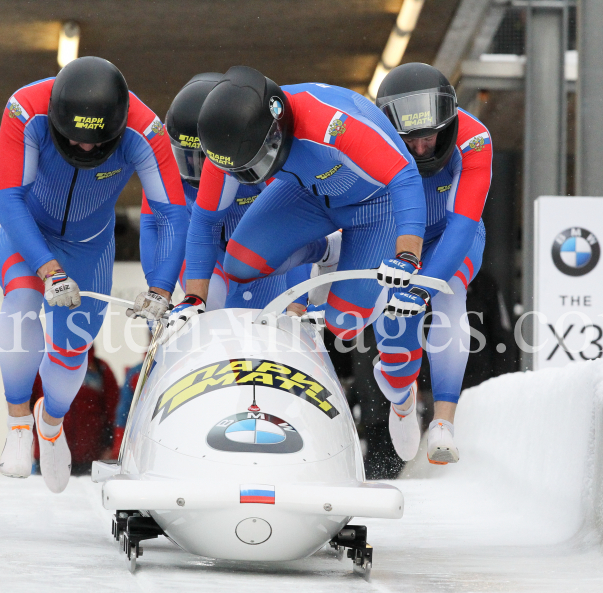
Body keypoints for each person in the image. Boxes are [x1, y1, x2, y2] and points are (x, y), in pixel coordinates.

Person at [0, 56, 189, 493]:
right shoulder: (25, 108)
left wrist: (160, 288)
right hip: (24, 229)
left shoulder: (146, 131)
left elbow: (173, 214)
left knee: (72, 347)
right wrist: (46, 268)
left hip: (89, 247)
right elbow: (9, 198)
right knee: (22, 297)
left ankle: (51, 422)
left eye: (95, 144)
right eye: (72, 140)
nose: (82, 149)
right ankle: (18, 423)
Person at [173, 66, 428, 354]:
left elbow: (405, 176)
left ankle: (355, 259)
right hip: (310, 192)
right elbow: (205, 220)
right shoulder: (226, 148)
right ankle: (326, 251)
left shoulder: (331, 125)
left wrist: (407, 252)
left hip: (375, 206)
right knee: (239, 264)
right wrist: (193, 299)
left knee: (344, 324)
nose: (248, 176)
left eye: (254, 164)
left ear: (275, 131)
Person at [371, 62, 493, 465]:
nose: (421, 149)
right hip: (397, 234)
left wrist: (426, 284)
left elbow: (463, 223)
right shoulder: (368, 140)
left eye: (430, 137)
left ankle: (444, 422)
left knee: (449, 294)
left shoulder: (474, 140)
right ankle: (401, 397)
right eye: (411, 141)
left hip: (455, 231)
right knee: (393, 312)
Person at [164, 72, 334, 314]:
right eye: (188, 158)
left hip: (259, 249)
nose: (199, 171)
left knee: (275, 316)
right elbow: (167, 223)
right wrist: (170, 293)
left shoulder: (258, 157)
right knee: (210, 303)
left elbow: (289, 230)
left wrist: (297, 301)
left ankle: (327, 253)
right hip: (212, 254)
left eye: (205, 157)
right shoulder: (165, 154)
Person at [31, 346, 118, 475]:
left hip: (90, 459)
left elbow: (113, 412)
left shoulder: (100, 369)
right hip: (49, 456)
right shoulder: (43, 366)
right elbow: (29, 406)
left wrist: (109, 446)